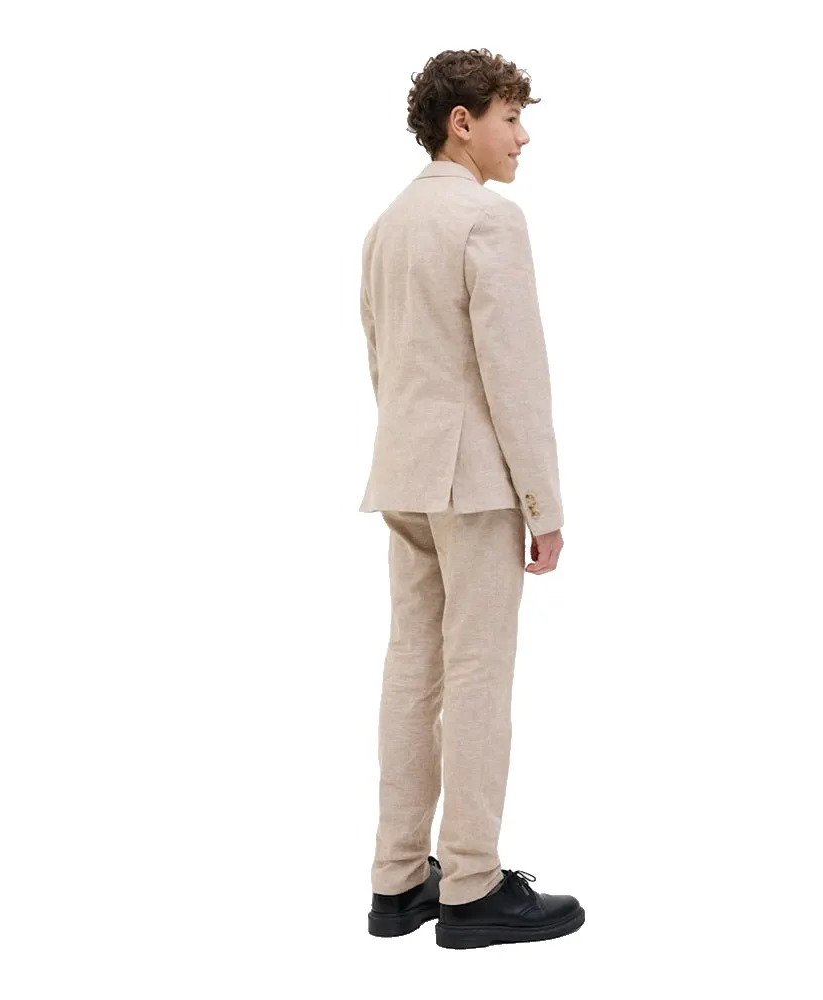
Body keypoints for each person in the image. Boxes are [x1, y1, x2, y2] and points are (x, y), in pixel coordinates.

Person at [359, 48, 584, 949]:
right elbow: (514, 374)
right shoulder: (488, 219)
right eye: (510, 118)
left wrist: (411, 451)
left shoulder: (387, 224)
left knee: (411, 671)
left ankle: (397, 880)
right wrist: (544, 504)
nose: (522, 137)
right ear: (463, 123)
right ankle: (473, 886)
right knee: (480, 676)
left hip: (405, 474)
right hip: (478, 483)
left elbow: (381, 358)